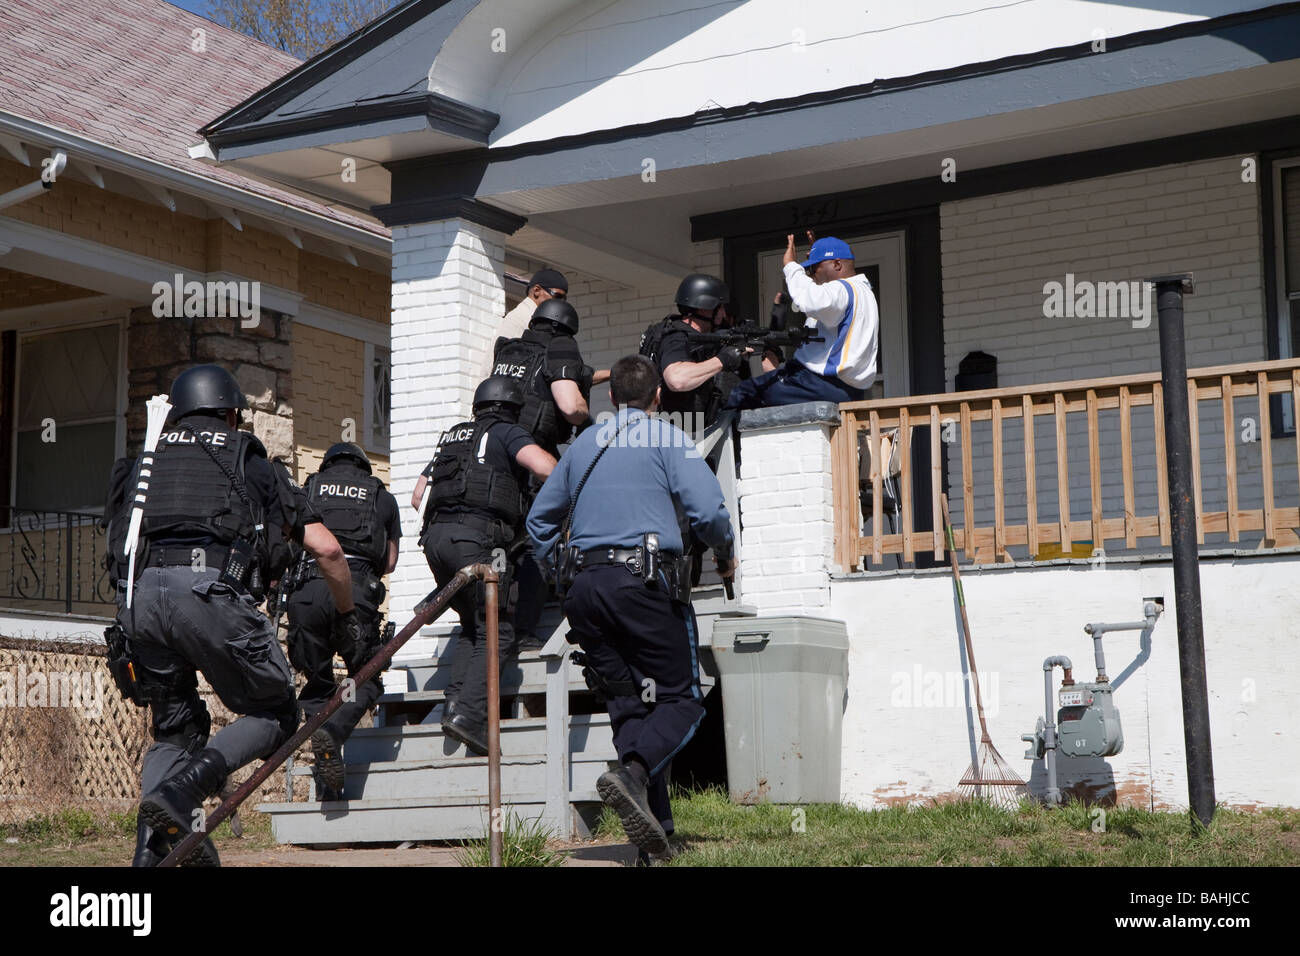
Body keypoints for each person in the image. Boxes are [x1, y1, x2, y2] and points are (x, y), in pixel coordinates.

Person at [101, 364, 358, 866]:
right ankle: (183, 795)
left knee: (175, 731)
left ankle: (149, 859)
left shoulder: (143, 463)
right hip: (206, 594)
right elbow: (327, 550)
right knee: (279, 710)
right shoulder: (246, 459)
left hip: (138, 606)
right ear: (232, 413)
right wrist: (347, 614)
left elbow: (115, 540)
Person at [526, 355, 736, 863]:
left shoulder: (582, 447)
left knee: (630, 704)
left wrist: (562, 574)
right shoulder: (668, 439)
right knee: (681, 700)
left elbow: (539, 523)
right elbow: (707, 512)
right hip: (642, 585)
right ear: (657, 398)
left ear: (612, 398)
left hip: (584, 592)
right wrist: (726, 553)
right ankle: (633, 773)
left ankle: (655, 835)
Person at [411, 376, 556, 754]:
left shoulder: (455, 437)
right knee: (498, 632)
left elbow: (416, 495)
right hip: (474, 541)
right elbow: (545, 468)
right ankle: (468, 715)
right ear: (511, 408)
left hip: (435, 542)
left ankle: (456, 707)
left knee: (473, 629)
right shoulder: (506, 432)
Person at [284, 442, 401, 801]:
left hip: (305, 593)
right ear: (365, 468)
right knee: (364, 677)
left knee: (318, 684)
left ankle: (327, 787)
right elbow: (390, 562)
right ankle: (332, 733)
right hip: (353, 594)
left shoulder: (307, 489)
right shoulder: (381, 496)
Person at [490, 296, 594, 651]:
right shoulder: (561, 346)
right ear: (566, 329)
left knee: (505, 543)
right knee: (538, 541)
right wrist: (584, 415)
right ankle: (526, 629)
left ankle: (498, 624)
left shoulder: (510, 351)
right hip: (537, 457)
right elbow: (569, 405)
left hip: (499, 455)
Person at [723, 234, 878, 409]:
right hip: (844, 388)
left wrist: (790, 265)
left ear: (837, 264)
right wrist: (817, 258)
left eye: (814, 269)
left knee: (743, 393)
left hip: (824, 384)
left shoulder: (843, 289)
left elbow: (811, 299)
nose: (812, 275)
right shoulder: (862, 292)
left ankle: (712, 436)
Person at [640, 274, 773, 436]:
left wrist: (758, 346)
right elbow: (677, 379)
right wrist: (723, 359)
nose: (724, 314)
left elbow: (770, 370)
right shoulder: (676, 337)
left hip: (699, 431)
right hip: (677, 434)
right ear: (705, 307)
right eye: (721, 307)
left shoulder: (712, 337)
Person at [501, 267, 569, 342]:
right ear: (537, 290)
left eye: (564, 299)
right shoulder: (522, 318)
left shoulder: (535, 319)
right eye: (557, 296)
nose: (561, 302)